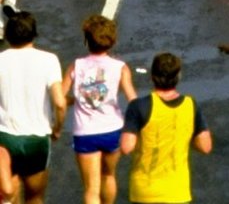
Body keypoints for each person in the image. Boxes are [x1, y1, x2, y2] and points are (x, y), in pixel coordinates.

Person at [62, 14, 136, 204]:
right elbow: (132, 99)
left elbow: (60, 98)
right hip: (113, 130)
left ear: (87, 40)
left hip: (85, 132)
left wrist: (75, 101)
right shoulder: (120, 67)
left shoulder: (76, 66)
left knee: (91, 189)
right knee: (108, 176)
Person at [121, 51, 212, 204]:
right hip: (178, 192)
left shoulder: (139, 106)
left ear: (152, 76)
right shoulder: (191, 105)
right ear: (178, 77)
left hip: (144, 192)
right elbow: (205, 146)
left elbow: (126, 147)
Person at [0, 11, 65, 204]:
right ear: (34, 34)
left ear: (8, 36)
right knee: (35, 197)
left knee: (8, 195)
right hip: (36, 141)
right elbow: (60, 103)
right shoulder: (49, 60)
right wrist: (57, 129)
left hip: (5, 138)